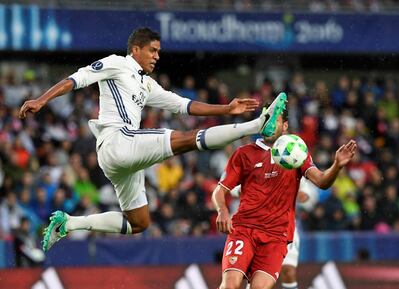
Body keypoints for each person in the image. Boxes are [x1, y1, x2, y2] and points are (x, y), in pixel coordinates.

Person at [18, 27, 288, 252]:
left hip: (123, 159)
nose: (157, 56)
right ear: (136, 49)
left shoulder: (146, 84)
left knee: (139, 222)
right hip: (117, 140)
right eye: (153, 50)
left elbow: (183, 105)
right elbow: (76, 79)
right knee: (186, 139)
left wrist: (226, 109)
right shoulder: (117, 63)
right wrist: (42, 100)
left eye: (158, 51)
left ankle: (68, 224)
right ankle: (257, 125)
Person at [212, 108, 357, 289]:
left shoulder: (296, 152)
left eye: (276, 120)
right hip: (244, 229)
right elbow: (219, 190)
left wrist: (336, 165)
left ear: (285, 126)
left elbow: (321, 181)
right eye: (266, 120)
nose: (270, 125)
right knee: (230, 286)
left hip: (276, 235)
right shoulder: (244, 153)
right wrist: (222, 210)